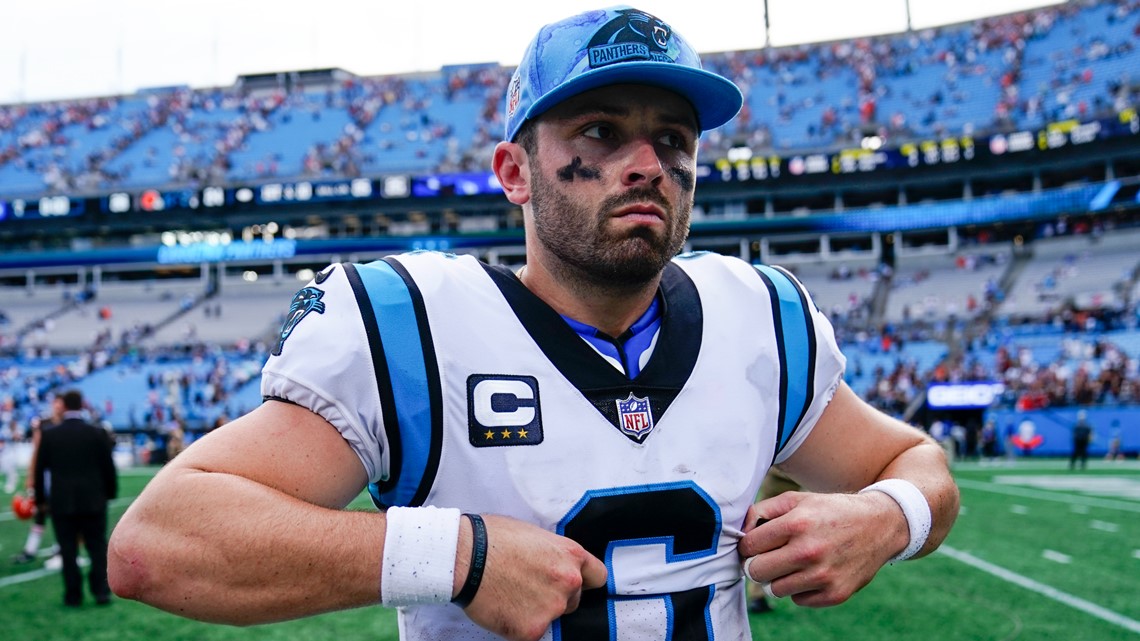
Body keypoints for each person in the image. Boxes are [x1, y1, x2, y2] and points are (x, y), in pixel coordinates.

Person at [108, 7, 959, 641]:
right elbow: (159, 542)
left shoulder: (761, 318)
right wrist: (457, 557)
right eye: (601, 131)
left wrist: (887, 518)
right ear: (514, 172)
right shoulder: (415, 327)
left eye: (672, 140)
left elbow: (916, 463)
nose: (647, 165)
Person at [34, 390, 118, 607]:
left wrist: (41, 500)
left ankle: (73, 595)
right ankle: (101, 591)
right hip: (93, 500)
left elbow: (40, 470)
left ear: (65, 406)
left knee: (68, 550)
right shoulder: (96, 433)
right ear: (82, 405)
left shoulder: (51, 434)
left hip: (62, 502)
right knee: (97, 547)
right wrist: (110, 493)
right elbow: (108, 467)